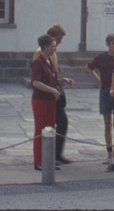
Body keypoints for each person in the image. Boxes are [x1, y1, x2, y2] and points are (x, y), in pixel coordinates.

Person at [31, 24, 75, 164]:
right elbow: (36, 79)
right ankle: (44, 158)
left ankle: (52, 156)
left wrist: (61, 80)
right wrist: (52, 89)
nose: (58, 43)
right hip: (44, 96)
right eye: (57, 40)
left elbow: (51, 75)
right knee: (45, 128)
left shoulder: (51, 55)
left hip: (52, 96)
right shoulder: (40, 55)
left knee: (53, 126)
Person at [86, 33, 114, 164]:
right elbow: (89, 67)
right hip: (105, 91)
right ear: (107, 44)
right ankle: (109, 153)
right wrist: (98, 80)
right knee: (108, 123)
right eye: (113, 43)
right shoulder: (102, 57)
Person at [30, 34, 61, 171]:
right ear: (45, 47)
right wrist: (52, 90)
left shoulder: (50, 61)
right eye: (53, 46)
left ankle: (48, 159)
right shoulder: (38, 62)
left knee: (50, 129)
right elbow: (36, 83)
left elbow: (51, 78)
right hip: (40, 100)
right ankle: (38, 161)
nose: (55, 48)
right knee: (40, 130)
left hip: (50, 101)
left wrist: (62, 81)